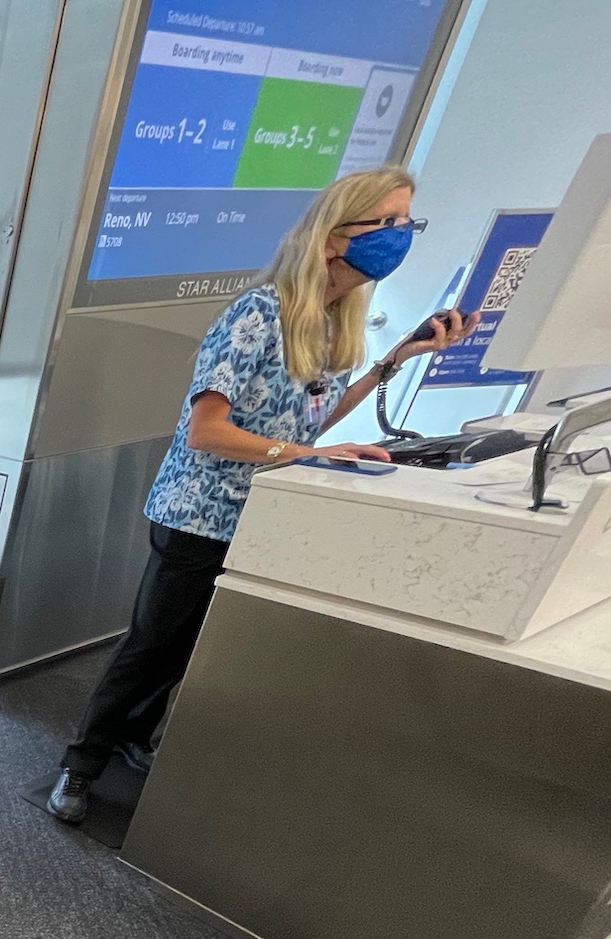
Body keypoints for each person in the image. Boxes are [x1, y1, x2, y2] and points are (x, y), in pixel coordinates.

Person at [47, 166, 480, 824]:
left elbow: (312, 423)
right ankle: (80, 765)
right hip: (197, 514)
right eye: (387, 223)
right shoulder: (259, 313)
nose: (400, 237)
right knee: (151, 645)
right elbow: (207, 429)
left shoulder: (332, 325)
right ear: (334, 237)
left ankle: (133, 739)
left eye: (406, 224)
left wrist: (396, 359)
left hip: (261, 518)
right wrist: (311, 455)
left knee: (195, 647)